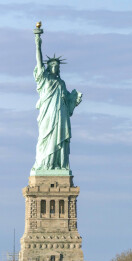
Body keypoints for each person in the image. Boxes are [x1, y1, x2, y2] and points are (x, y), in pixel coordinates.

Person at [33, 27, 82, 173]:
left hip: (60, 115)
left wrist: (75, 99)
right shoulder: (44, 79)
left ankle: (58, 165)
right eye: (52, 65)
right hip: (47, 115)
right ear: (48, 67)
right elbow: (39, 62)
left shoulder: (61, 83)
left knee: (59, 138)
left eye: (57, 65)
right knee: (45, 138)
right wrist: (38, 43)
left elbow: (68, 102)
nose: (54, 67)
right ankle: (46, 164)